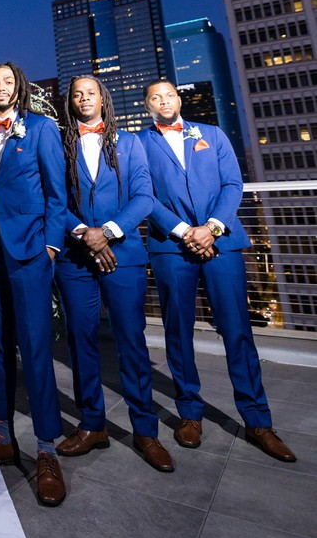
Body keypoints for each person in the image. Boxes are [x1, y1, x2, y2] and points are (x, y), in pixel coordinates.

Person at [139, 79, 296, 461]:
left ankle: (258, 421)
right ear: (147, 106)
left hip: (221, 242)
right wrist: (182, 231)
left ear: (178, 99)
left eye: (169, 95)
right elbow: (143, 195)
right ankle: (189, 413)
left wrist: (210, 228)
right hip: (171, 247)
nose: (164, 101)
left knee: (237, 330)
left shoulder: (211, 134)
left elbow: (232, 184)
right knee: (178, 331)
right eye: (155, 98)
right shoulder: (139, 143)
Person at [54, 75, 175, 472]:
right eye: (77, 94)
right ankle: (92, 426)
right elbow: (52, 199)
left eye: (91, 93)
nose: (84, 98)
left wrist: (106, 233)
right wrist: (83, 234)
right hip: (75, 258)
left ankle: (146, 431)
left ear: (103, 99)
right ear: (70, 103)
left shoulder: (131, 142)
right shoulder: (61, 144)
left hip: (124, 254)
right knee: (81, 342)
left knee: (131, 342)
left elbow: (144, 197)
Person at [0, 62, 68, 506]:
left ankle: (46, 448)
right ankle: (3, 434)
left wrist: (50, 247)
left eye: (8, 81)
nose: (0, 87)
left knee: (35, 349)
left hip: (29, 251)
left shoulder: (42, 128)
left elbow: (56, 194)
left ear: (19, 87)